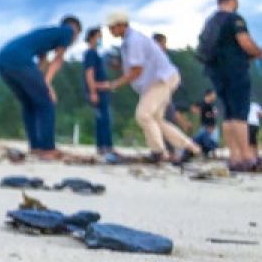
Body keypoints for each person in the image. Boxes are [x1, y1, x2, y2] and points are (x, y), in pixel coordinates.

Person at [100, 12, 200, 165]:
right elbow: (135, 67)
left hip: (161, 79)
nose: (110, 30)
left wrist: (114, 84)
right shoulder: (129, 41)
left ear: (122, 25)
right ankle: (191, 148)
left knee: (143, 115)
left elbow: (136, 71)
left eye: (112, 27)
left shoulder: (134, 41)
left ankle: (159, 152)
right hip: (161, 79)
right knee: (157, 119)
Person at [0, 17, 81, 159]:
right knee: (46, 102)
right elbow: (58, 60)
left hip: (2, 59)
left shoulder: (46, 34)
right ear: (76, 31)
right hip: (19, 61)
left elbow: (42, 63)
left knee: (29, 103)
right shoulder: (68, 31)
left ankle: (35, 147)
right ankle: (48, 148)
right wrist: (47, 86)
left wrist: (41, 83)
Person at [198, 0, 262, 171]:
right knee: (240, 113)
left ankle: (233, 156)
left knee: (227, 114)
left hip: (215, 71)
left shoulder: (211, 20)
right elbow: (245, 42)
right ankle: (245, 157)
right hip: (235, 70)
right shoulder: (235, 19)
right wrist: (259, 52)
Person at [82, 27, 114, 155]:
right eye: (99, 36)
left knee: (104, 119)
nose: (101, 39)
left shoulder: (95, 54)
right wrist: (93, 91)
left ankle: (104, 146)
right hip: (98, 91)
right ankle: (105, 147)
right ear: (92, 37)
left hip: (102, 90)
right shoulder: (90, 53)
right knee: (103, 120)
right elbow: (89, 73)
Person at [191, 89, 219, 157]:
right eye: (213, 94)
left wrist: (213, 114)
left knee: (213, 141)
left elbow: (214, 113)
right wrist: (201, 112)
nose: (215, 96)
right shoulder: (202, 103)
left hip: (213, 126)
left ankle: (213, 154)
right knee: (204, 141)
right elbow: (193, 108)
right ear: (209, 95)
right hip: (205, 126)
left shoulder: (212, 104)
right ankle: (201, 153)